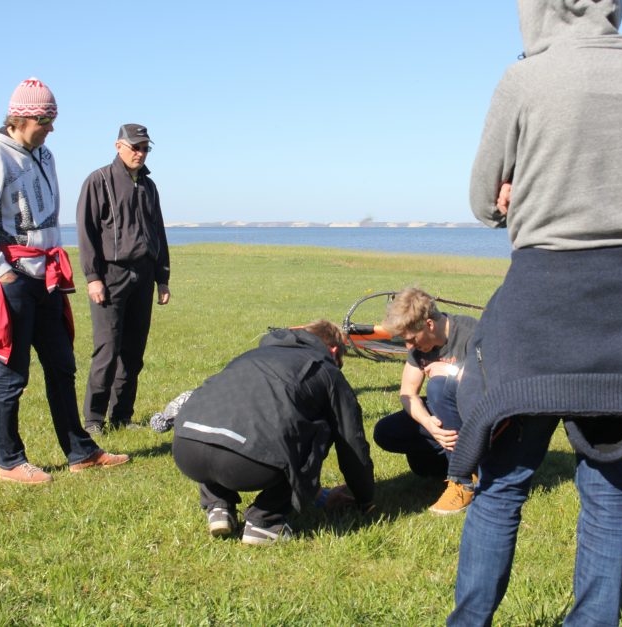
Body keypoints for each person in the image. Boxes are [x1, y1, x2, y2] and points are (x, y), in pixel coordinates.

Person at [446, 2, 622, 624]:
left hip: (542, 291)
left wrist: (520, 194)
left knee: (504, 482)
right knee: (607, 487)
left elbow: (485, 200)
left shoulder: (526, 77)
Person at [0, 77, 129, 484]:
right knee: (12, 374)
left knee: (61, 365)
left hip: (46, 279)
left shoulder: (44, 154)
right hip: (12, 279)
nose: (51, 129)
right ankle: (10, 462)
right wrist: (4, 274)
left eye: (52, 121)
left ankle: (80, 450)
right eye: (44, 121)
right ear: (21, 117)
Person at [171, 321, 375, 545]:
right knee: (322, 428)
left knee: (224, 420)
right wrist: (365, 498)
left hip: (186, 447)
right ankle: (265, 521)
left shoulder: (250, 355)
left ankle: (218, 505)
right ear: (334, 350)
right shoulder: (325, 369)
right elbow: (351, 442)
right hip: (244, 464)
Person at [76, 124, 171, 434]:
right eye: (135, 147)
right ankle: (93, 420)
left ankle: (122, 417)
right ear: (119, 146)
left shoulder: (149, 186)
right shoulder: (98, 181)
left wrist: (162, 277)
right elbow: (87, 232)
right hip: (110, 276)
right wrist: (93, 277)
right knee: (107, 349)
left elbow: (158, 232)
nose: (140, 153)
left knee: (133, 352)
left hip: (142, 275)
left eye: (145, 148)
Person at [371, 288, 478, 515]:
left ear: (429, 324)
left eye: (411, 339)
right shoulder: (419, 347)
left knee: (438, 385)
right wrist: (429, 423)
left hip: (479, 420)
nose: (409, 347)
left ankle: (464, 479)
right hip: (447, 419)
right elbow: (407, 393)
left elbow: (494, 382)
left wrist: (450, 371)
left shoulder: (472, 333)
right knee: (386, 432)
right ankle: (448, 466)